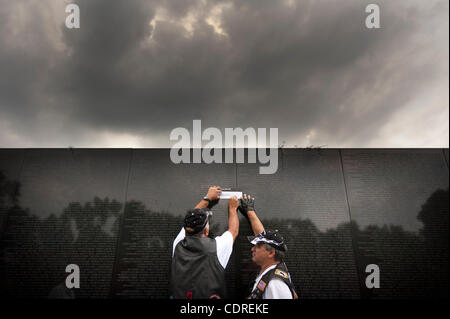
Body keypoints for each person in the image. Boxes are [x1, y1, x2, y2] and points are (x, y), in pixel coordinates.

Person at [170, 186, 239, 299]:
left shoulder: (178, 244)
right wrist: (232, 208)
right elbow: (233, 231)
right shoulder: (217, 247)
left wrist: (207, 198)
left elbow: (191, 218)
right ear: (206, 231)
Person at [239, 194, 298, 299]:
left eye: (257, 246)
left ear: (271, 253)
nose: (252, 248)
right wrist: (250, 212)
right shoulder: (272, 270)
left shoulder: (275, 284)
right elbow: (263, 236)